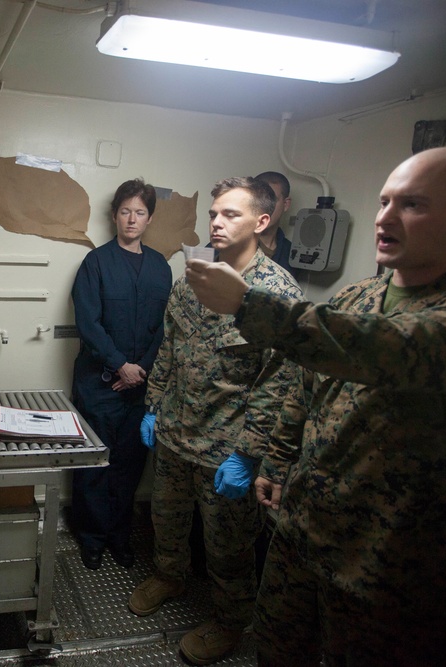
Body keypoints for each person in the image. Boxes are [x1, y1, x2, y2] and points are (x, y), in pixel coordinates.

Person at [185, 146, 446, 666]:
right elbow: (302, 386)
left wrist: (247, 305)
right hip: (304, 533)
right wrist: (279, 459)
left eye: (413, 205)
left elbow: (387, 348)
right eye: (383, 202)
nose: (385, 218)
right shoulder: (357, 297)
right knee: (278, 650)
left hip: (393, 563)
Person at [131, 177, 303, 664]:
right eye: (213, 214)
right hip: (176, 432)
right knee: (166, 519)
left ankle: (231, 621)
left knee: (228, 546)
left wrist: (250, 453)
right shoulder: (196, 280)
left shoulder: (275, 294)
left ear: (262, 222)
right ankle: (169, 575)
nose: (216, 222)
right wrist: (153, 404)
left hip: (226, 448)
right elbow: (171, 345)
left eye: (230, 214)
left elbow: (280, 382)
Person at [70, 178, 172, 570]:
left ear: (149, 219)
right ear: (114, 215)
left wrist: (140, 369)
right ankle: (92, 538)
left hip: (139, 388)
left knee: (129, 467)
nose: (132, 219)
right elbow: (88, 323)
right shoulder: (96, 263)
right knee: (95, 464)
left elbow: (166, 326)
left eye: (140, 212)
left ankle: (119, 537)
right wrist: (120, 365)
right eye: (125, 211)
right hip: (99, 386)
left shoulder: (161, 267)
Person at [254, 171, 295, 276]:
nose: (264, 207)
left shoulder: (292, 253)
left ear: (285, 204)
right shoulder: (225, 242)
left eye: (272, 200)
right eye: (258, 199)